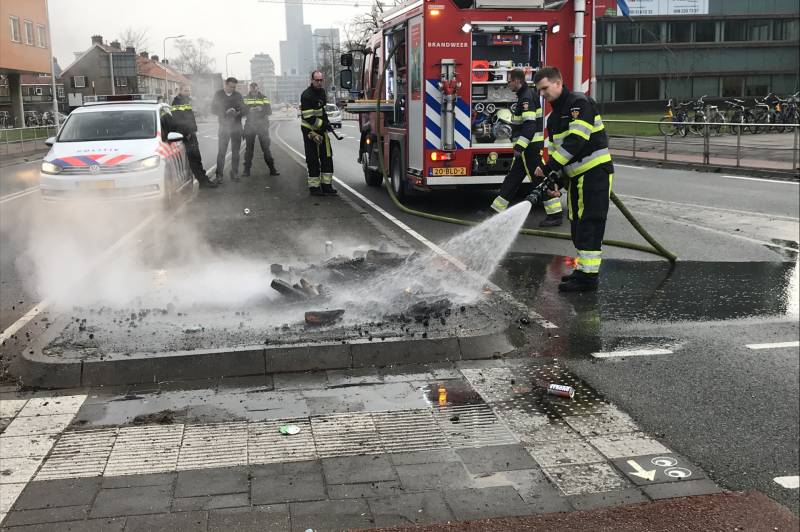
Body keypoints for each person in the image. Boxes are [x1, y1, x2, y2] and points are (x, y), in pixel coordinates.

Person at [533, 66, 614, 293]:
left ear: (558, 83)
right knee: (578, 226)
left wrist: (549, 167)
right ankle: (583, 270)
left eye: (545, 88)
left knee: (590, 224)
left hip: (595, 174)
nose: (543, 94)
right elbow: (561, 152)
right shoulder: (555, 118)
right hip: (577, 178)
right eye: (540, 91)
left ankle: (589, 279)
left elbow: (576, 142)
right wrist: (555, 180)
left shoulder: (580, 104)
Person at [489, 70, 563, 226]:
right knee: (513, 178)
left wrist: (520, 146)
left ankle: (555, 215)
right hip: (527, 148)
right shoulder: (524, 96)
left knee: (539, 179)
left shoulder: (526, 98)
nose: (507, 85)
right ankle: (496, 210)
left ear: (517, 81)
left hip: (529, 148)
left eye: (509, 81)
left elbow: (529, 126)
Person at [171, 85, 216, 188]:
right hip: (187, 135)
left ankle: (204, 180)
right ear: (180, 91)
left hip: (191, 133)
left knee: (197, 158)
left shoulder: (186, 101)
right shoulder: (177, 102)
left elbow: (188, 116)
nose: (188, 92)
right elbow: (178, 120)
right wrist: (187, 133)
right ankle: (203, 182)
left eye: (189, 90)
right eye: (186, 90)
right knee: (194, 160)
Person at [300, 71, 337, 196]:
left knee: (327, 157)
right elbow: (308, 117)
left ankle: (326, 185)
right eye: (317, 80)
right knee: (312, 159)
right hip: (309, 130)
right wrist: (323, 124)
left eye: (321, 80)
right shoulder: (306, 95)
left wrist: (327, 124)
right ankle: (314, 187)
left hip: (321, 130)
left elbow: (321, 111)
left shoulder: (322, 92)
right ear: (312, 80)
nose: (319, 82)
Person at [211, 77, 246, 182]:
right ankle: (219, 175)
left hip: (236, 127)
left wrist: (237, 112)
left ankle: (234, 173)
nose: (233, 89)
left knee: (236, 152)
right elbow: (213, 109)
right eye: (231, 86)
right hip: (224, 127)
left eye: (234, 87)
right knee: (222, 152)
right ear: (225, 85)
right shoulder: (218, 95)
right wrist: (225, 112)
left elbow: (244, 110)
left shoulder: (238, 95)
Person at [243, 82, 279, 177]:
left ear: (258, 89)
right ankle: (246, 171)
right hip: (250, 126)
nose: (254, 91)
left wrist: (261, 109)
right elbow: (242, 111)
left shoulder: (264, 97)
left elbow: (269, 111)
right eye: (252, 90)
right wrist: (249, 110)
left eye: (256, 90)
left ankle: (272, 169)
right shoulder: (246, 98)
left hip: (262, 126)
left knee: (266, 149)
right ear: (250, 89)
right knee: (249, 149)